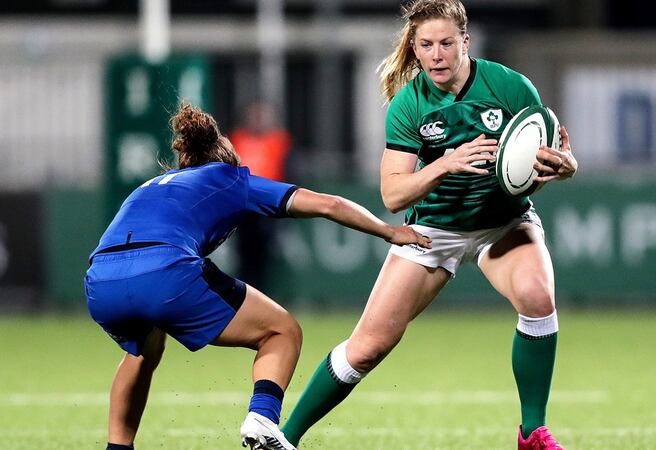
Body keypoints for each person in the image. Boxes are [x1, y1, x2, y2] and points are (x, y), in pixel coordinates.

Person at [280, 1, 578, 449]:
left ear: (465, 42)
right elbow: (393, 195)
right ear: (414, 49)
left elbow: (542, 157)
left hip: (503, 222)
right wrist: (446, 164)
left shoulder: (510, 86)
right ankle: (283, 438)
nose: (437, 54)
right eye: (426, 45)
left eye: (445, 43)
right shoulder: (408, 105)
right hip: (432, 231)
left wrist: (565, 166)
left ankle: (532, 432)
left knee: (538, 297)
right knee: (367, 348)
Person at [84, 103, 431, 450]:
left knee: (143, 352)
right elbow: (330, 204)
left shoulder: (149, 185)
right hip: (163, 272)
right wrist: (389, 231)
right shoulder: (229, 177)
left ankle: (117, 448)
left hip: (101, 282)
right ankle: (262, 420)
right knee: (282, 330)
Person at [229, 101, 292, 289]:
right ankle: (243, 296)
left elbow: (287, 171)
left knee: (264, 259)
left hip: (268, 207)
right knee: (244, 257)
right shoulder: (237, 139)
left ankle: (262, 298)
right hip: (242, 208)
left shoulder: (279, 142)